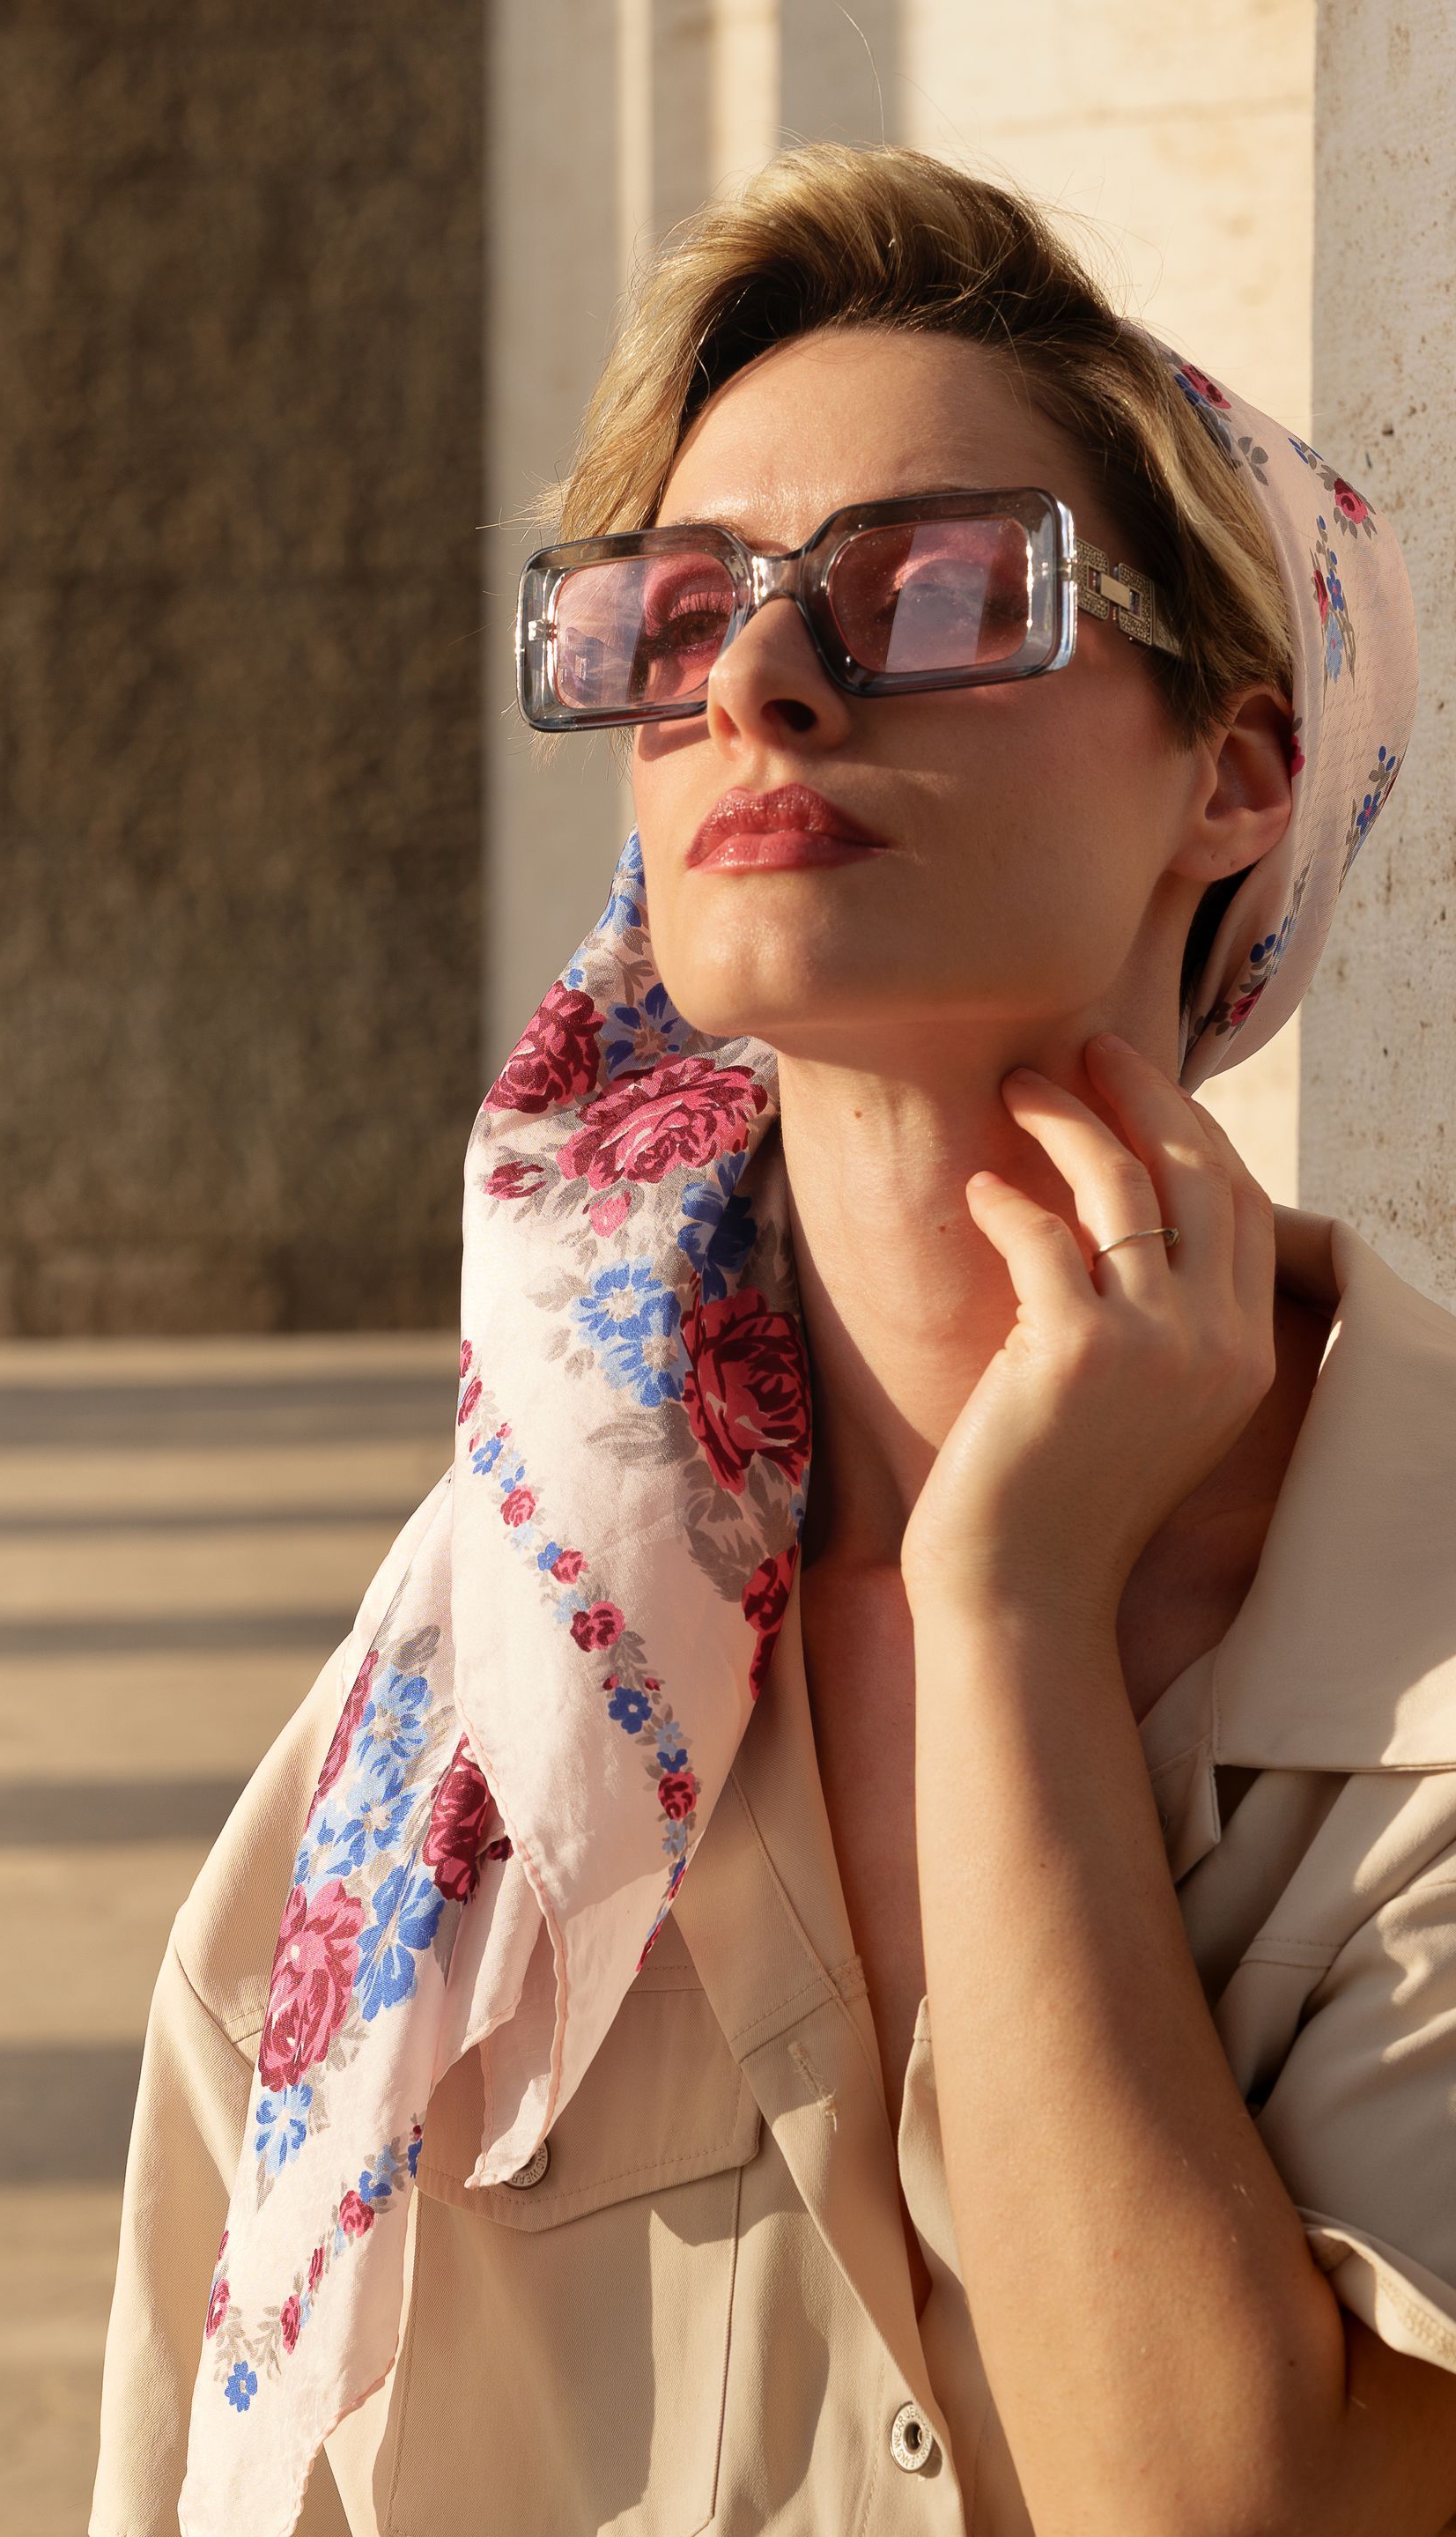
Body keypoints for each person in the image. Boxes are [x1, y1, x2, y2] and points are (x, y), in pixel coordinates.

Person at [90, 148, 1456, 2537]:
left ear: (1231, 772)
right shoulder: (450, 1741)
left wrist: (1007, 1611)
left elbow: (1256, 2507)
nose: (764, 678)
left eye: (933, 592)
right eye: (676, 607)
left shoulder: (1421, 1631)